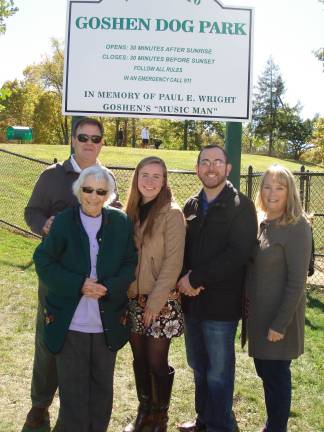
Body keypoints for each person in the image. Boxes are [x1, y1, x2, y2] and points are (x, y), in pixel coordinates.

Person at [22, 117, 120, 431]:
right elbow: (31, 211)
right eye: (83, 137)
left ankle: (77, 407)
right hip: (57, 278)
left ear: (102, 142)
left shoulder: (107, 178)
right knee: (50, 337)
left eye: (96, 138)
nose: (89, 143)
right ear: (73, 140)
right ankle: (40, 404)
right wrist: (43, 225)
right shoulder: (51, 176)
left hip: (93, 282)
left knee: (83, 340)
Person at [33, 165, 137, 432]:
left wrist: (108, 287)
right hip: (72, 323)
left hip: (106, 322)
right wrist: (79, 284)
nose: (93, 196)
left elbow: (129, 263)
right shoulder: (64, 221)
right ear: (79, 191)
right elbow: (43, 261)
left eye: (100, 191)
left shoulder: (120, 222)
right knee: (74, 392)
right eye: (88, 189)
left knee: (103, 389)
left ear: (109, 195)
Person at [177, 144, 258, 432]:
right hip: (191, 304)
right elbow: (181, 250)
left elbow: (237, 255)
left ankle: (221, 426)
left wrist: (196, 279)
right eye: (205, 162)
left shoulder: (242, 206)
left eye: (217, 162)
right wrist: (183, 281)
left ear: (228, 169)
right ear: (197, 168)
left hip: (221, 307)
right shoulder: (191, 205)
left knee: (219, 373)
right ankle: (204, 420)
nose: (211, 167)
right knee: (199, 367)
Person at [245, 164, 312, 432]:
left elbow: (297, 282)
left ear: (290, 192)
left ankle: (276, 428)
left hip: (278, 319)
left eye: (280, 187)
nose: (272, 192)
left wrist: (279, 324)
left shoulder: (297, 227)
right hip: (259, 316)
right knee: (266, 373)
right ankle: (271, 423)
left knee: (276, 376)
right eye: (267, 186)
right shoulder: (262, 221)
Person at [123, 156, 186, 432]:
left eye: (156, 176)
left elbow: (173, 262)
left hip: (162, 302)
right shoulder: (132, 210)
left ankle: (159, 416)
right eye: (144, 175)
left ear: (164, 181)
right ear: (137, 178)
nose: (149, 181)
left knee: (155, 360)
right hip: (134, 299)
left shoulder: (172, 213)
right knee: (138, 359)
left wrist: (155, 302)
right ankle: (144, 410)